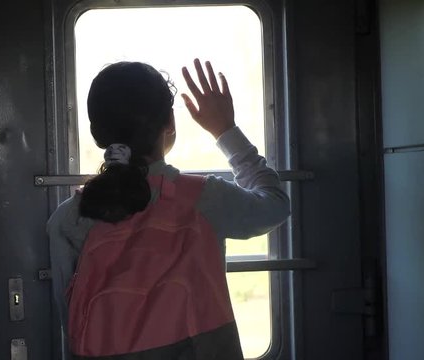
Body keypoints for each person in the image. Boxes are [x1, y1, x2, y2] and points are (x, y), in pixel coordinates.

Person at [48, 59, 290, 359]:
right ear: (170, 124)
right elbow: (275, 206)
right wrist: (226, 130)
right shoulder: (204, 199)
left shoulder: (67, 219)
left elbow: (70, 323)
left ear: (99, 134)